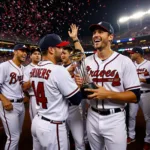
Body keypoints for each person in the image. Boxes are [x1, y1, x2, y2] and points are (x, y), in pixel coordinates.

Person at [75, 21, 141, 150]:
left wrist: (108, 94)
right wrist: (80, 86)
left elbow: (135, 96)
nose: (95, 35)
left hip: (115, 117)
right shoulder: (87, 61)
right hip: (92, 115)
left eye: (100, 32)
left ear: (110, 37)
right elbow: (84, 93)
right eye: (94, 32)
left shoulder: (124, 61)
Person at [30, 33, 83, 150]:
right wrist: (78, 86)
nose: (62, 50)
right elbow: (76, 100)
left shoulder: (34, 69)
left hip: (37, 121)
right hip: (53, 126)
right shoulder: (58, 70)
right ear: (51, 50)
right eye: (59, 47)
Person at [0, 44, 28, 150]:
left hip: (20, 104)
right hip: (9, 105)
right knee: (13, 138)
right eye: (22, 50)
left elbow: (21, 85)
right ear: (15, 52)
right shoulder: (4, 66)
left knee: (17, 134)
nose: (25, 53)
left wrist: (24, 95)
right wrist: (4, 99)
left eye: (26, 51)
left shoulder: (23, 68)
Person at [127, 47, 150, 150]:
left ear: (138, 54)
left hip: (146, 93)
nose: (131, 54)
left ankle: (147, 140)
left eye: (132, 53)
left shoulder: (148, 64)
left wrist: (141, 79)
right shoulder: (131, 65)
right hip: (134, 93)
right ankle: (131, 136)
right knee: (131, 115)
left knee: (148, 118)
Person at [23, 48, 41, 120]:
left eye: (39, 54)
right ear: (30, 56)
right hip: (34, 97)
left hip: (47, 96)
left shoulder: (45, 66)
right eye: (35, 54)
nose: (37, 56)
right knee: (35, 121)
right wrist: (33, 76)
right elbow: (24, 87)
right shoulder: (26, 69)